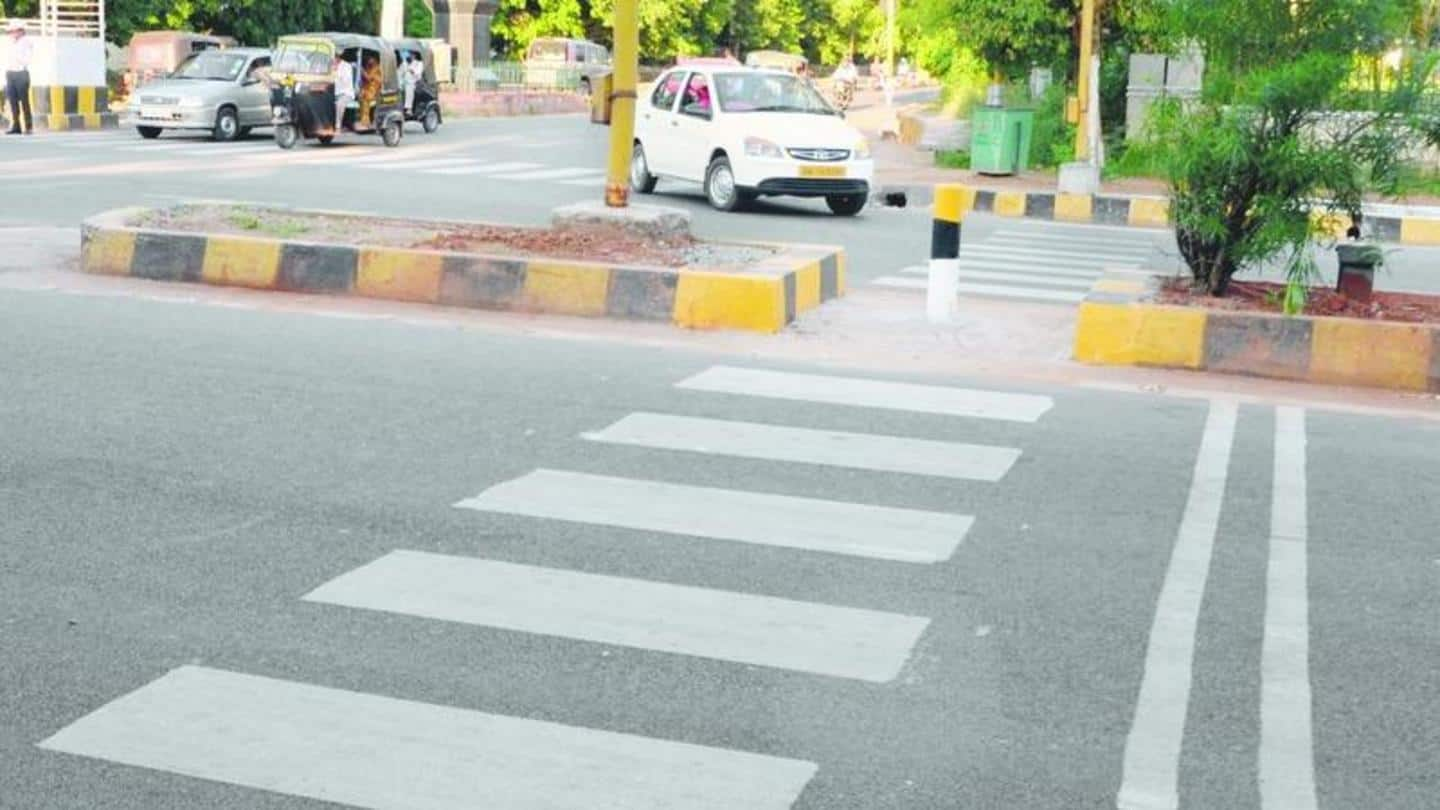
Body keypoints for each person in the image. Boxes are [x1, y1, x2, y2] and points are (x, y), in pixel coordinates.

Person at [5, 20, 34, 135]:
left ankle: (28, 126)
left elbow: (27, 59)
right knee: (13, 102)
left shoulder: (27, 42)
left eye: (14, 31)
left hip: (21, 73)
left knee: (24, 101)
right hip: (11, 73)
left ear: (20, 31)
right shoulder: (11, 42)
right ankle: (16, 126)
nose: (12, 33)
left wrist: (19, 61)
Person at [332, 55, 355, 134]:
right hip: (333, 92)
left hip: (345, 93)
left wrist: (335, 71)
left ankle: (338, 127)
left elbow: (346, 80)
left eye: (335, 57)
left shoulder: (346, 66)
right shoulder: (330, 65)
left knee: (339, 104)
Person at [358, 55, 381, 130]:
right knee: (361, 98)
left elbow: (369, 78)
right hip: (367, 89)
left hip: (374, 90)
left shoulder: (377, 68)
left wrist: (362, 71)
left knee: (365, 100)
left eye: (370, 59)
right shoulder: (368, 66)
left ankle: (365, 123)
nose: (369, 61)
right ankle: (364, 121)